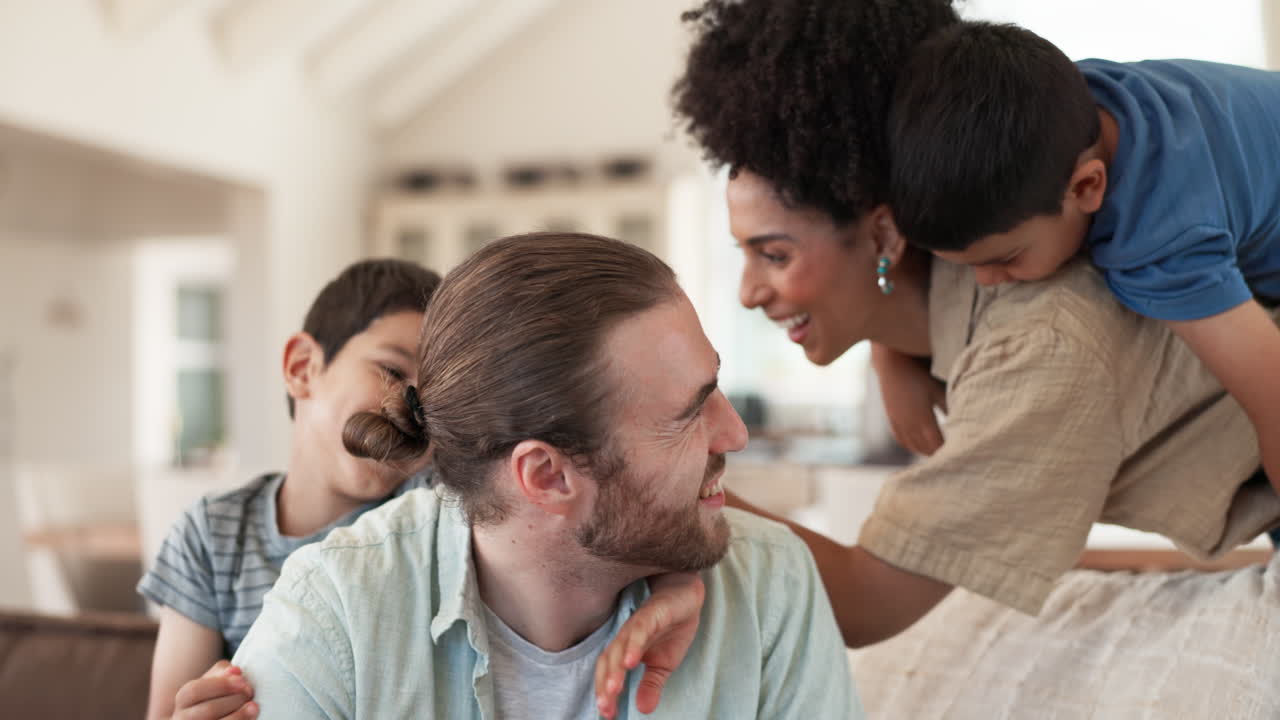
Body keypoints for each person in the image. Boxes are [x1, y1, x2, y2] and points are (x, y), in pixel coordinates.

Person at [593, 0, 1280, 712]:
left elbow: (865, 602)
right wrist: (891, 352)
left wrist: (650, 491)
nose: (746, 294)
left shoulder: (1046, 341)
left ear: (887, 235)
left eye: (774, 253)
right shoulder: (995, 233)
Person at [230, 232, 860, 719]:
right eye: (688, 413)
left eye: (714, 385)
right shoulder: (336, 609)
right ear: (547, 476)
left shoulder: (769, 588)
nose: (735, 435)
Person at [882, 22, 1280, 489]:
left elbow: (1272, 395)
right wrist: (887, 354)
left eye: (1006, 257)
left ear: (1087, 187)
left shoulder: (1161, 241)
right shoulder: (1070, 100)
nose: (987, 281)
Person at [137, 258, 441, 720]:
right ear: (302, 368)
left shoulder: (431, 526)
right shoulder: (211, 537)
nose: (412, 412)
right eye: (393, 372)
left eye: (435, 400)